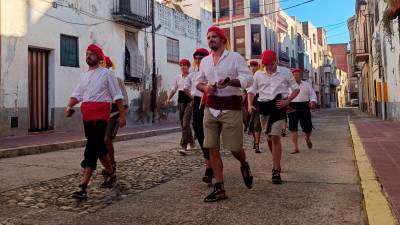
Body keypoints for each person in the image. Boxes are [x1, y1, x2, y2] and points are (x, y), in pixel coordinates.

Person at [196, 26, 254, 202]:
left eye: (214, 36)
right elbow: (199, 83)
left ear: (222, 39)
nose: (210, 39)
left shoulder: (235, 58)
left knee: (234, 147)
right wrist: (206, 88)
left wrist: (231, 81)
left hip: (231, 108)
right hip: (211, 108)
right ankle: (219, 187)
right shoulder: (205, 61)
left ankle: (244, 164)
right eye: (208, 37)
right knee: (212, 147)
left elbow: (248, 79)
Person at [65, 44, 126, 199]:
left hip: (101, 114)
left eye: (91, 54)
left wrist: (122, 115)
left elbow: (117, 95)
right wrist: (69, 106)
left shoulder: (107, 74)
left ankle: (83, 186)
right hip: (87, 115)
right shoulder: (84, 76)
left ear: (99, 57)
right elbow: (77, 94)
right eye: (87, 53)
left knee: (92, 147)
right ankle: (111, 172)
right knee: (98, 147)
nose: (88, 56)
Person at [247, 50, 300, 184]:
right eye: (265, 65)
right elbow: (251, 91)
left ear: (275, 62)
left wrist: (287, 101)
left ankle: (276, 170)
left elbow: (296, 88)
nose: (267, 67)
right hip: (263, 107)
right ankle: (275, 159)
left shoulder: (285, 72)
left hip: (278, 106)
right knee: (269, 138)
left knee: (275, 137)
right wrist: (249, 104)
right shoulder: (258, 74)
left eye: (270, 64)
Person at [184, 48, 213, 183]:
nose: (198, 60)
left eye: (201, 57)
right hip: (197, 102)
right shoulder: (193, 74)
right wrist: (192, 98)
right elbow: (186, 88)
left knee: (211, 134)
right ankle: (208, 165)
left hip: (210, 102)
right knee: (199, 131)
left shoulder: (212, 71)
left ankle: (211, 166)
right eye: (196, 58)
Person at [103, 56, 129, 171]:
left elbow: (125, 100)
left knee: (107, 139)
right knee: (103, 140)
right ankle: (108, 163)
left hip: (114, 112)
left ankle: (112, 163)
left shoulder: (117, 79)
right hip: (102, 113)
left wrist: (122, 115)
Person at [165, 59, 194, 155]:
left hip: (190, 101)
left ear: (188, 66)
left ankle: (183, 146)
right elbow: (174, 89)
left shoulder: (192, 76)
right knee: (183, 124)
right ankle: (192, 142)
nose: (182, 67)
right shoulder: (177, 77)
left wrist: (193, 100)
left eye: (184, 65)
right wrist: (168, 99)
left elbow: (194, 90)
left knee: (186, 124)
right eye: (181, 65)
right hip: (181, 101)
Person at [288, 68, 317, 154]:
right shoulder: (288, 86)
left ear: (300, 76)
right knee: (293, 128)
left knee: (308, 127)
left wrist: (313, 101)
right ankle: (296, 148)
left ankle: (307, 138)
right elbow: (284, 95)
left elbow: (312, 95)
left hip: (304, 106)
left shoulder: (307, 85)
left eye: (297, 75)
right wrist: (286, 106)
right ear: (292, 76)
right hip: (292, 106)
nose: (296, 76)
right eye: (294, 75)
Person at [247, 60, 262, 153]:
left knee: (257, 124)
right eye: (251, 66)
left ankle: (257, 144)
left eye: (255, 66)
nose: (253, 68)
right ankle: (255, 140)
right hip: (247, 100)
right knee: (250, 123)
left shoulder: (261, 76)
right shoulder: (247, 77)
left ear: (258, 67)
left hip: (258, 100)